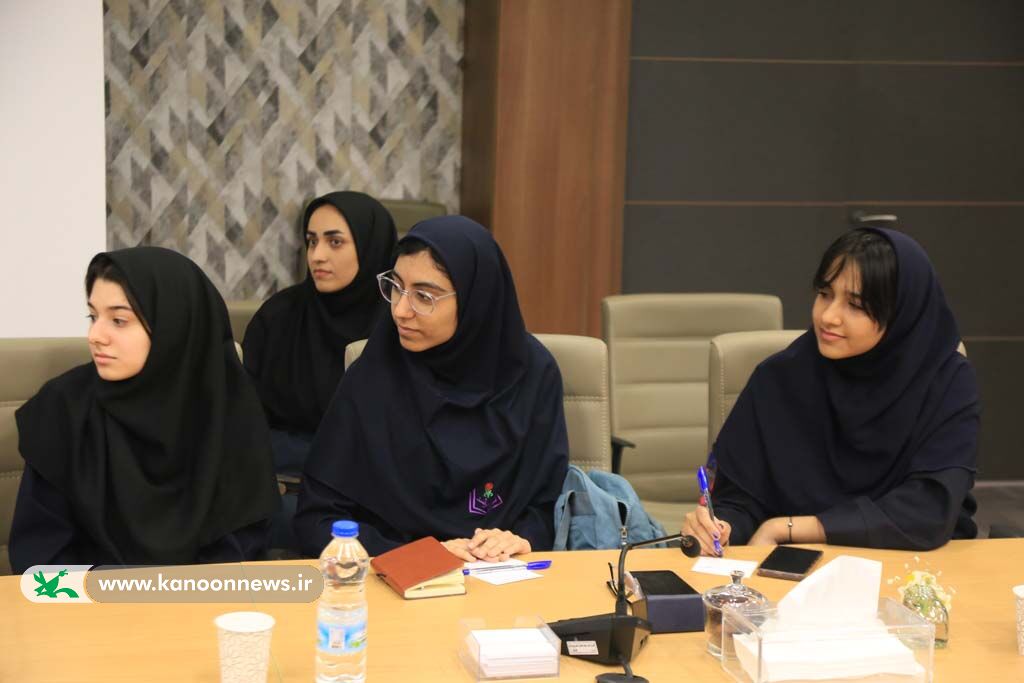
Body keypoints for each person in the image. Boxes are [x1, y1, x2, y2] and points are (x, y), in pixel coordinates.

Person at [683, 228, 979, 554]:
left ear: (901, 314)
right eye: (825, 294)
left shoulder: (946, 381)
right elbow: (739, 501)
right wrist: (721, 527)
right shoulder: (779, 379)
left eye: (856, 305)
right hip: (792, 566)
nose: (828, 316)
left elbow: (928, 509)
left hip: (913, 565)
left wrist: (786, 527)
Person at [294, 216, 569, 561]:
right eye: (396, 287)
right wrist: (420, 555)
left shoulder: (532, 374)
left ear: (475, 299)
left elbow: (548, 505)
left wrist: (521, 539)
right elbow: (316, 520)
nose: (400, 310)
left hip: (502, 572)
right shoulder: (374, 375)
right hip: (395, 573)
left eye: (424, 296)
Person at [10, 248, 279, 572]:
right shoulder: (63, 408)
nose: (95, 336)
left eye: (119, 320)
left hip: (203, 600)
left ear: (174, 325)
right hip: (86, 600)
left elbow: (238, 561)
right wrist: (123, 592)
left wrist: (175, 596)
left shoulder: (227, 413)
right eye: (93, 317)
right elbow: (38, 564)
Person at [241, 192, 397, 477]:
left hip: (374, 487)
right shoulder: (278, 316)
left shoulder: (400, 323)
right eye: (312, 241)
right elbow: (243, 422)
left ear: (370, 246)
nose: (317, 256)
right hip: (280, 480)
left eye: (335, 242)